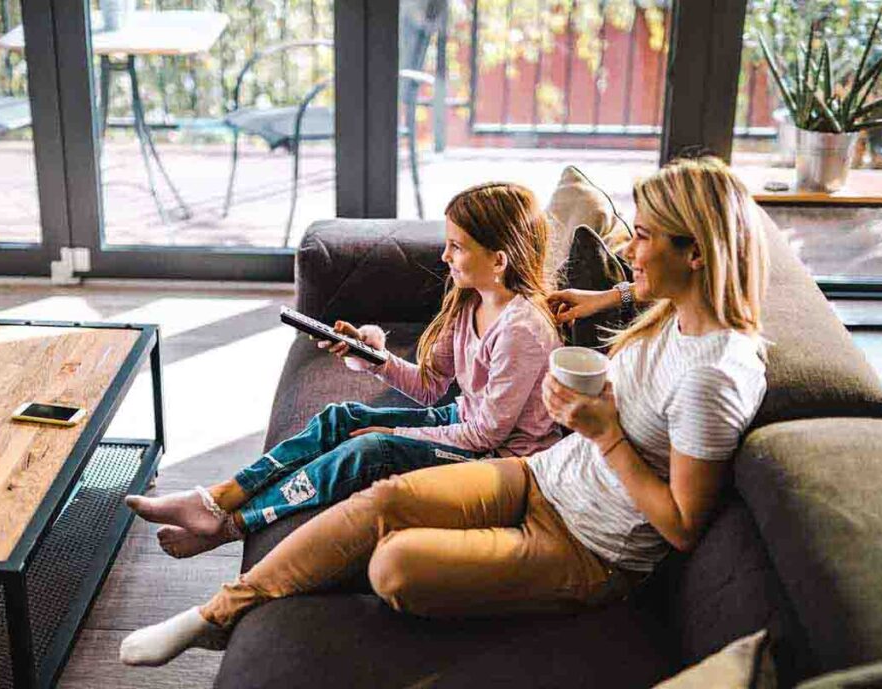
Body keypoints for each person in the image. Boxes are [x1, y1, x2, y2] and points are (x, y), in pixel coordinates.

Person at [119, 155, 769, 668]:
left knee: (392, 564)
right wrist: (605, 299)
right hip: (543, 476)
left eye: (645, 237)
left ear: (697, 252)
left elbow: (683, 527)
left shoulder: (714, 377)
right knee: (383, 498)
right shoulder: (675, 309)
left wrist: (604, 435)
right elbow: (443, 383)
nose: (631, 248)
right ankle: (217, 612)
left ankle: (237, 524)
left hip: (589, 547)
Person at [123, 181, 562, 564]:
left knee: (369, 449)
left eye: (458, 246)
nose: (445, 255)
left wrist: (395, 438)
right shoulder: (470, 299)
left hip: (504, 461)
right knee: (342, 418)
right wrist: (375, 357)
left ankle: (233, 524)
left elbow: (486, 437)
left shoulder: (522, 331)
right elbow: (431, 388)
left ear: (499, 260)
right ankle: (217, 500)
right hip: (468, 424)